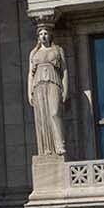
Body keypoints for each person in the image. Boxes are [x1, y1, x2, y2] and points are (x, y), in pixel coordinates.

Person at [27, 24, 68, 157]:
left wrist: (65, 88)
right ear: (38, 37)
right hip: (38, 85)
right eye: (41, 34)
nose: (43, 36)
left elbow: (64, 71)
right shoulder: (34, 53)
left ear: (50, 35)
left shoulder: (57, 50)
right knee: (42, 116)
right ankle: (46, 149)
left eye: (45, 33)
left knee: (54, 112)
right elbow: (30, 74)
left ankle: (59, 144)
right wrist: (29, 91)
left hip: (53, 82)